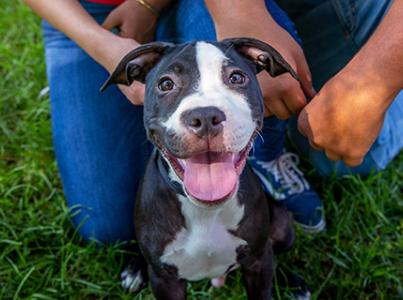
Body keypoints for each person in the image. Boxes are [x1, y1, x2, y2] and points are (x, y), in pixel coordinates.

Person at [23, 0, 402, 244]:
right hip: (88, 12)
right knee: (103, 226)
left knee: (353, 160)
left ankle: (265, 149)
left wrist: (150, 4)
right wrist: (102, 46)